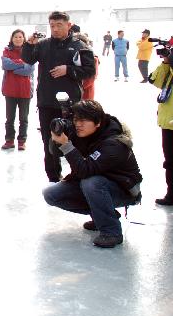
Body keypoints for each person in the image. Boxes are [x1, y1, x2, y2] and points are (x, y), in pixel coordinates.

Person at [42, 100, 142, 248]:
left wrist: (66, 144)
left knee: (91, 182)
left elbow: (85, 170)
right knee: (51, 194)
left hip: (124, 190)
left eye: (83, 121)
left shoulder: (114, 143)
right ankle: (103, 215)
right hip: (98, 185)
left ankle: (111, 232)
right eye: (76, 120)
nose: (78, 124)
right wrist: (57, 136)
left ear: (98, 123)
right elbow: (55, 153)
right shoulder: (83, 133)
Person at [22, 11, 96, 182]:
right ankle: (54, 177)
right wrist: (29, 45)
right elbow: (28, 59)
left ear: (68, 25)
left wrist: (68, 70)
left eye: (59, 25)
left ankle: (78, 175)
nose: (55, 29)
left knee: (75, 140)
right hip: (47, 102)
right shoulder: (44, 45)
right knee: (49, 142)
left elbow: (90, 70)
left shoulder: (80, 46)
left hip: (71, 104)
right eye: (52, 26)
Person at [1, 29, 34, 150]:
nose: (18, 39)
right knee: (10, 118)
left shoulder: (29, 51)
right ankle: (9, 140)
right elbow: (5, 65)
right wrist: (22, 63)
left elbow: (29, 69)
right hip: (10, 90)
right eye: (15, 37)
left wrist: (14, 67)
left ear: (24, 39)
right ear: (12, 39)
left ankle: (21, 141)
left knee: (23, 119)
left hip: (25, 91)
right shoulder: (6, 50)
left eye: (20, 37)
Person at [149, 47, 173, 205]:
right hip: (168, 121)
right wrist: (166, 62)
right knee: (170, 161)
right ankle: (171, 194)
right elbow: (155, 80)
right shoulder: (169, 69)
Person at [74, 33, 99, 100]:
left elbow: (90, 78)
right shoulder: (73, 56)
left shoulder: (93, 59)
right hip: (74, 93)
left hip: (86, 93)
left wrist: (77, 88)